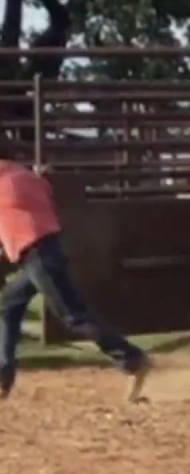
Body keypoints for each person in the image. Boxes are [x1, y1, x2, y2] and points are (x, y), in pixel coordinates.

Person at [0, 159, 151, 401]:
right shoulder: (26, 176)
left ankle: (132, 358)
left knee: (74, 316)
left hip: (36, 253)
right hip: (46, 248)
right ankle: (3, 377)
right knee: (10, 304)